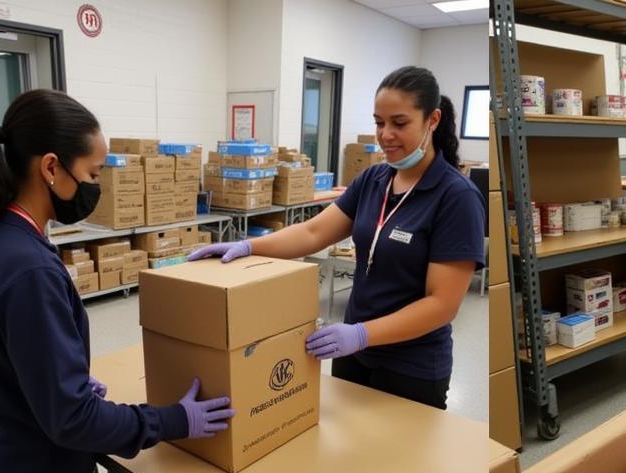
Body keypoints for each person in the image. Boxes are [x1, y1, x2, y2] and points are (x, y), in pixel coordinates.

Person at [0, 89, 235, 473]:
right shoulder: (28, 269)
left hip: (2, 454)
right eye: (94, 175)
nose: (96, 187)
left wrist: (55, 378)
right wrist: (172, 420)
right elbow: (72, 421)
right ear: (51, 168)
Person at [189, 66, 486, 410]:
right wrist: (250, 245)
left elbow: (441, 304)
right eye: (379, 122)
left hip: (411, 366)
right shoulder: (374, 179)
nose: (385, 134)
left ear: (432, 120)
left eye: (399, 123)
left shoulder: (456, 197)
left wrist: (362, 333)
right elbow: (313, 232)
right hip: (354, 355)